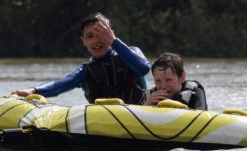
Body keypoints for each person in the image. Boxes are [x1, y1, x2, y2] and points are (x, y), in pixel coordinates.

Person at [12, 13, 150, 105]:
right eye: (90, 36)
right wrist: (33, 90)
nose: (96, 41)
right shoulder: (85, 71)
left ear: (110, 34)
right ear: (83, 41)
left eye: (100, 34)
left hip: (140, 114)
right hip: (106, 122)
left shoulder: (132, 52)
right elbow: (58, 86)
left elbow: (143, 68)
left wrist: (114, 42)